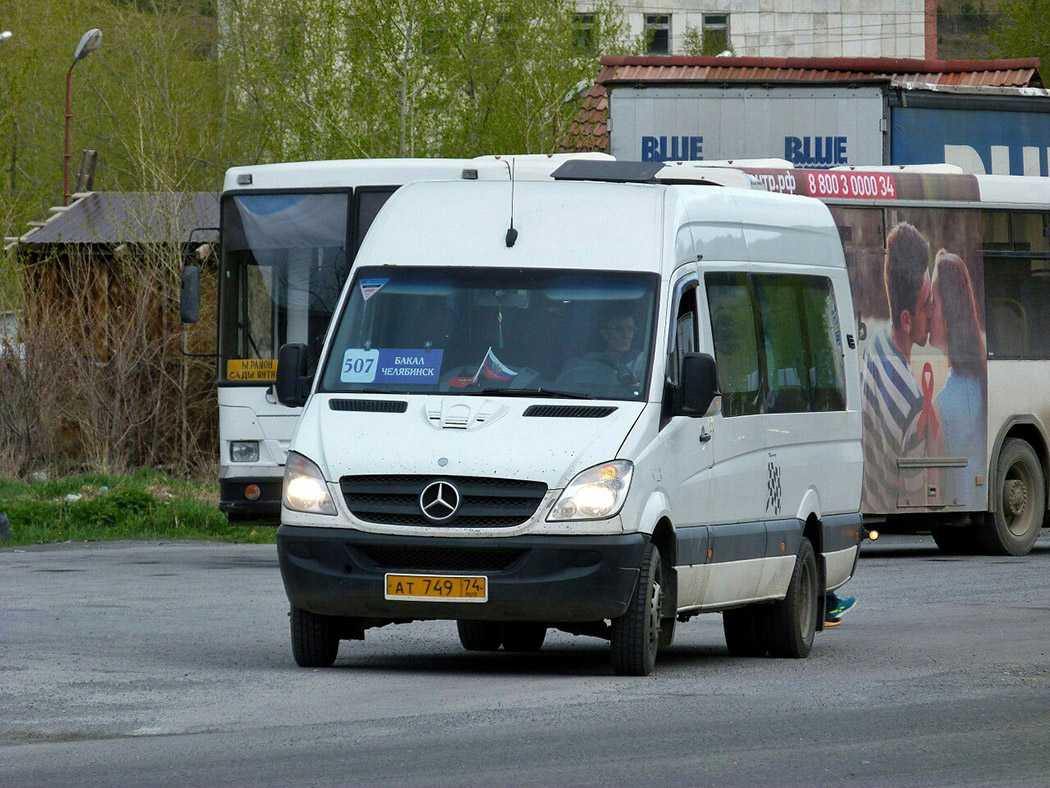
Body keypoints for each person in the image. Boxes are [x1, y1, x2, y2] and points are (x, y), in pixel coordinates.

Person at [860, 221, 934, 513]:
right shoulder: (914, 403)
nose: (932, 310)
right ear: (906, 320)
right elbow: (914, 499)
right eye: (927, 304)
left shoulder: (874, 345)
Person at [929, 250, 987, 504]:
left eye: (933, 300)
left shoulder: (946, 404)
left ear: (948, 315)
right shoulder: (976, 381)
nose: (927, 311)